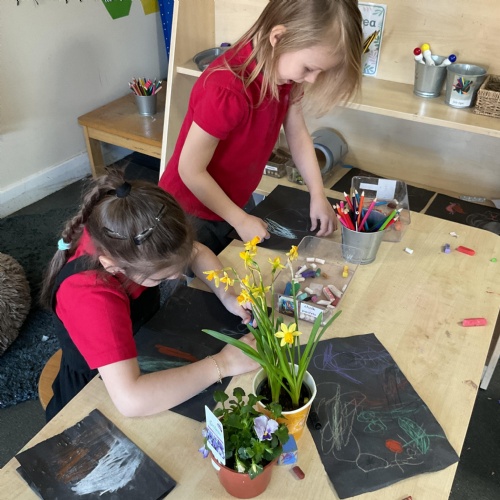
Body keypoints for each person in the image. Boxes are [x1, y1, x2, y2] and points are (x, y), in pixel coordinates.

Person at [39, 172, 258, 422]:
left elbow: (196, 252)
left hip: (141, 342)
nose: (177, 276)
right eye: (161, 278)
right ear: (113, 266)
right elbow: (131, 400)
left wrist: (227, 293)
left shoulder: (130, 235)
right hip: (97, 389)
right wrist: (224, 363)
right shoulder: (91, 296)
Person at [159, 0, 363, 254]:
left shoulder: (284, 74)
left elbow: (298, 134)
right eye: (309, 68)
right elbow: (190, 170)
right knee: (201, 274)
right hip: (189, 212)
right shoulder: (226, 89)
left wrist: (317, 193)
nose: (311, 79)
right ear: (278, 38)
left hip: (230, 204)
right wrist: (239, 219)